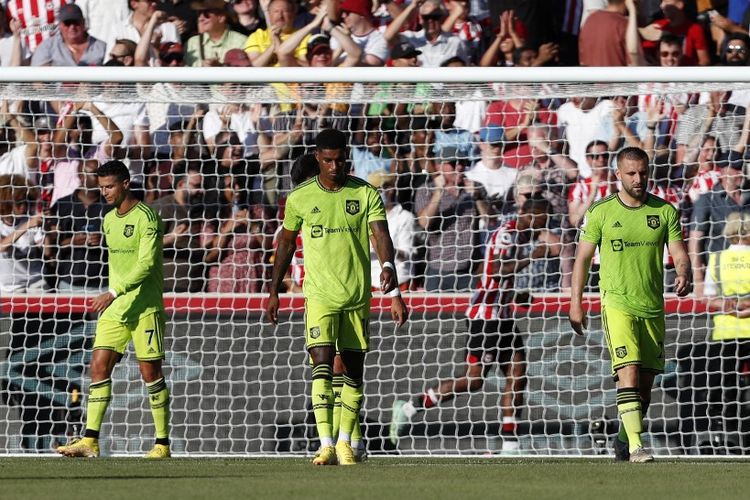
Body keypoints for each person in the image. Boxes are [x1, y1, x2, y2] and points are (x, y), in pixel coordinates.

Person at [266, 129, 408, 466]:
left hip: (357, 295)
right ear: (318, 158)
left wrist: (390, 270)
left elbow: (381, 235)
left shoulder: (365, 193)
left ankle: (347, 442)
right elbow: (285, 243)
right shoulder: (300, 198)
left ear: (348, 157)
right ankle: (327, 443)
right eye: (328, 160)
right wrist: (273, 290)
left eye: (340, 159)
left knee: (354, 372)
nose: (334, 166)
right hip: (318, 297)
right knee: (322, 368)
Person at [389, 196, 554, 451]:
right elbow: (498, 270)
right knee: (474, 381)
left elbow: (488, 273)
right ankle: (410, 407)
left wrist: (514, 295)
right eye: (544, 219)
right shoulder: (507, 235)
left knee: (517, 374)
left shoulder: (520, 237)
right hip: (484, 318)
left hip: (503, 316)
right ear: (533, 215)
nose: (545, 226)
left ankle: (510, 444)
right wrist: (533, 256)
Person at [569, 146, 692, 463]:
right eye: (631, 173)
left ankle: (624, 440)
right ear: (618, 174)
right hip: (616, 303)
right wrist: (576, 303)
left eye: (643, 173)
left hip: (652, 305)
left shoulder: (664, 211)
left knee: (646, 387)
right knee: (629, 372)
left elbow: (678, 251)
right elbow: (582, 259)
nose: (639, 179)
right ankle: (638, 446)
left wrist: (683, 273)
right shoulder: (601, 212)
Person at [56, 160, 170, 459]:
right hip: (115, 308)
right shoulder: (108, 219)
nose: (104, 192)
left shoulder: (148, 218)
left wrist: (113, 291)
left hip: (145, 307)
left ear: (125, 184)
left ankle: (162, 443)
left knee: (150, 373)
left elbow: (146, 265)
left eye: (109, 186)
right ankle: (90, 441)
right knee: (98, 367)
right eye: (101, 187)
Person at [703, 212, 750, 453]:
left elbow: (708, 299)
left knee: (726, 389)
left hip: (725, 332)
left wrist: (729, 307)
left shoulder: (717, 258)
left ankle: (729, 438)